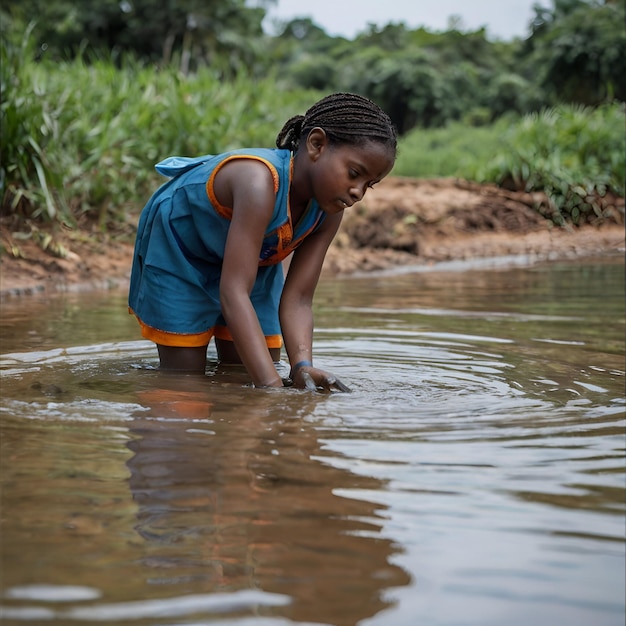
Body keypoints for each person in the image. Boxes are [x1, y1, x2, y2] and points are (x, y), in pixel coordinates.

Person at [128, 92, 397, 391]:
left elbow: (298, 299)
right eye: (354, 173)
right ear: (317, 145)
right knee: (184, 384)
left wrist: (302, 367)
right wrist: (271, 389)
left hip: (251, 258)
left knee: (244, 371)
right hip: (181, 251)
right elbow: (233, 292)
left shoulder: (328, 212)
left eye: (368, 184)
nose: (358, 192)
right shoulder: (259, 183)